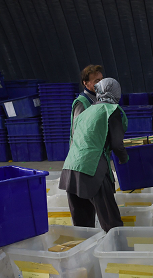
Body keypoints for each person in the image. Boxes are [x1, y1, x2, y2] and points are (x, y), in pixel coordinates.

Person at [60, 78, 128, 232]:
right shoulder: (111, 110)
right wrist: (125, 159)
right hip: (92, 169)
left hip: (70, 168)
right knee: (112, 223)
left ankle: (87, 253)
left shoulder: (87, 110)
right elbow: (117, 144)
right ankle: (118, 253)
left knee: (83, 227)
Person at [71, 65, 103, 132]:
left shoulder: (100, 100)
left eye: (102, 80)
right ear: (85, 83)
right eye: (97, 81)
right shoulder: (82, 103)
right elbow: (77, 132)